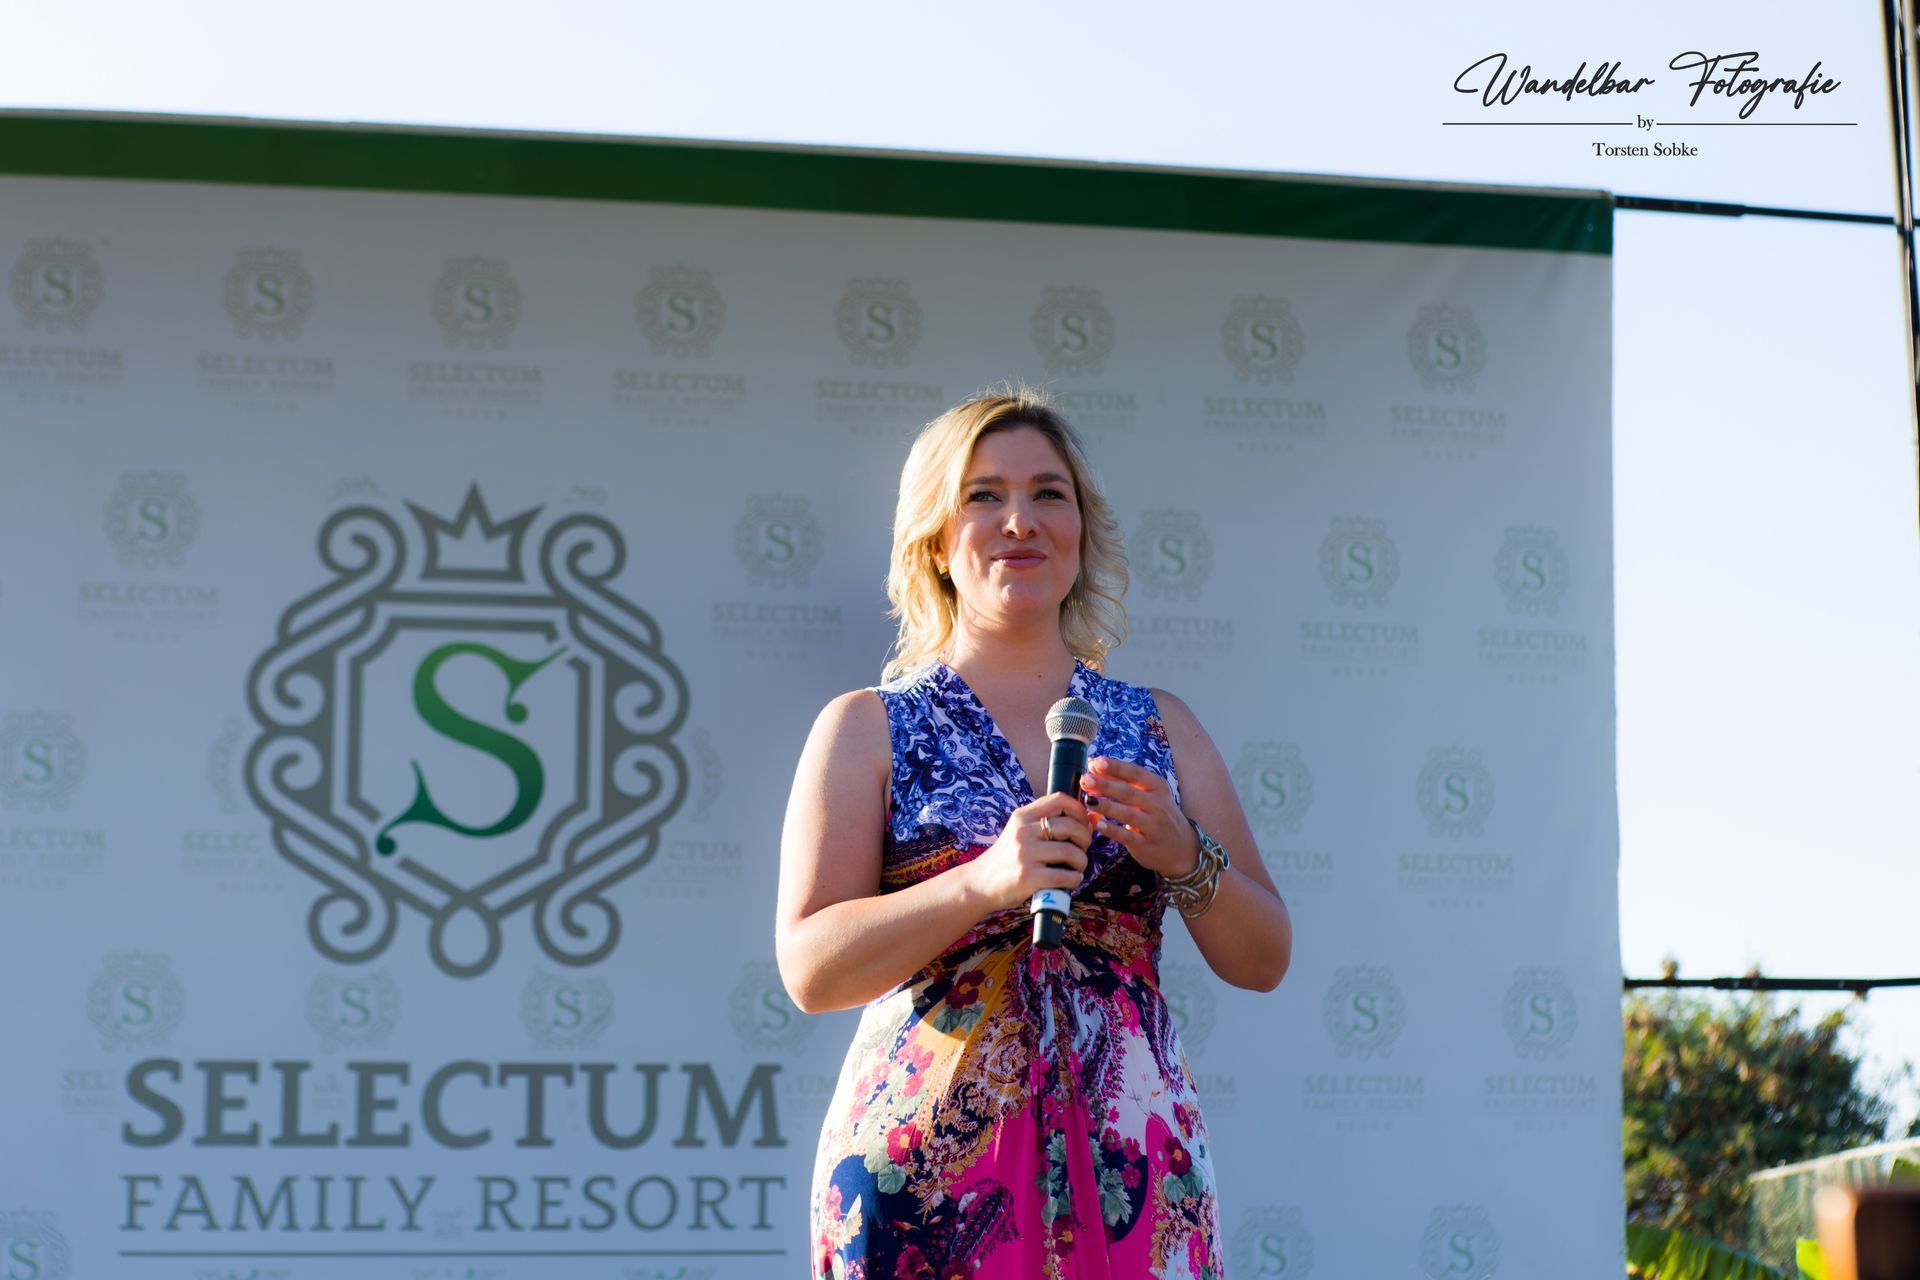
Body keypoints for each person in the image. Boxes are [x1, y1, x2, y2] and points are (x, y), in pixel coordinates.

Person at [777, 390, 1293, 1280]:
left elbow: (1265, 958)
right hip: (925, 1182)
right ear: (935, 539)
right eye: (983, 496)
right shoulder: (866, 727)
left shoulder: (1160, 726)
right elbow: (811, 969)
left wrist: (1182, 855)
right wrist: (981, 883)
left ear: (1082, 530)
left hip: (1131, 1169)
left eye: (1049, 494)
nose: (1020, 520)